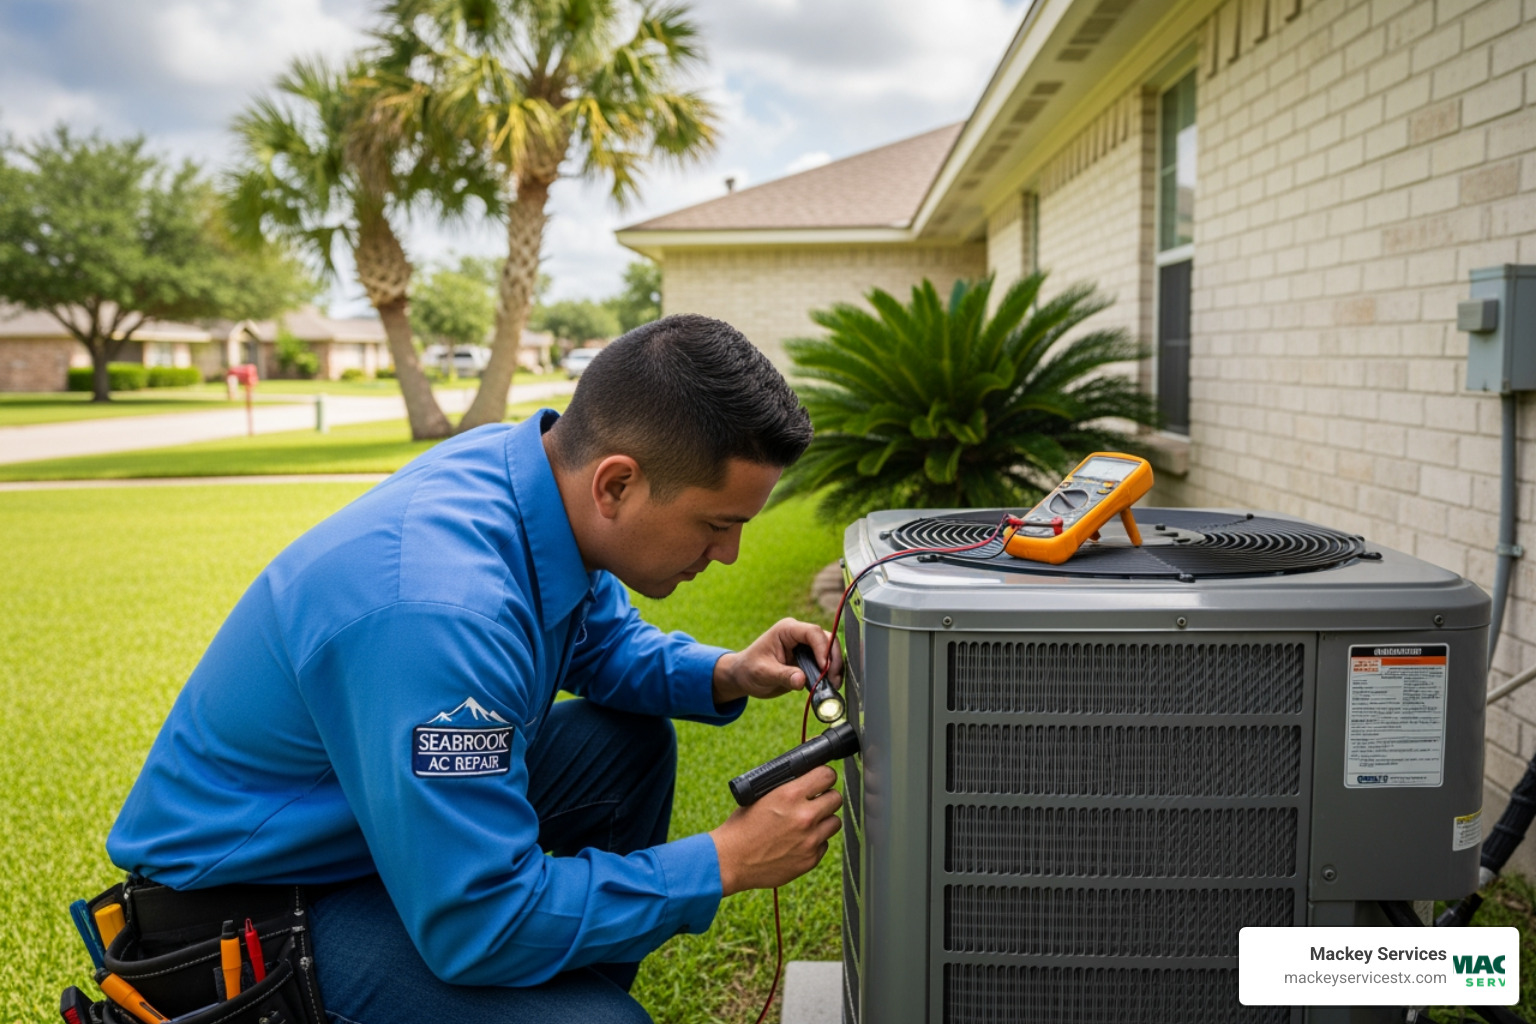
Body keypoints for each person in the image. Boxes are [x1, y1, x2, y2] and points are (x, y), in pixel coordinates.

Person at [106, 314, 845, 1024]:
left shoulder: (531, 476)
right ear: (616, 485)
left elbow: (599, 641)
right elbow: (481, 919)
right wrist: (721, 861)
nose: (728, 555)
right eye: (718, 525)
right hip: (245, 913)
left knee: (624, 746)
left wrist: (727, 671)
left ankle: (547, 994)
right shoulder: (442, 608)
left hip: (358, 835)